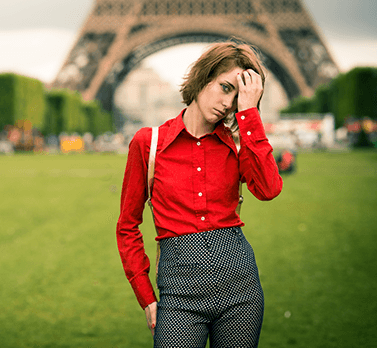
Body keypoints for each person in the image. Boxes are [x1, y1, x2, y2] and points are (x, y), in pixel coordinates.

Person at [117, 41, 283, 347]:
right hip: (178, 293)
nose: (227, 103)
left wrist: (249, 116)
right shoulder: (148, 144)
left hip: (240, 288)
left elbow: (269, 189)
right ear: (204, 77)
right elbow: (127, 226)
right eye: (224, 87)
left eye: (237, 98)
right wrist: (146, 297)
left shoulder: (237, 145)